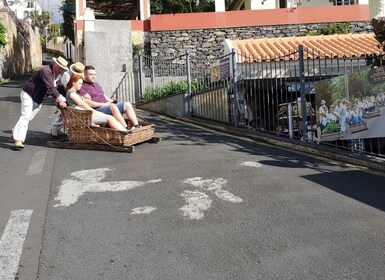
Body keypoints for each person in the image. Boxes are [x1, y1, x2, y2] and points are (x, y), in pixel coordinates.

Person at [12, 56, 68, 149]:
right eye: (59, 67)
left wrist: (69, 95)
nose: (60, 70)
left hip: (39, 99)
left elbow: (60, 88)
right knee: (25, 116)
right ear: (55, 64)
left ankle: (15, 132)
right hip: (29, 94)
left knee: (28, 117)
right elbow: (51, 88)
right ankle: (18, 140)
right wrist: (60, 99)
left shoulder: (58, 75)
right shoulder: (46, 71)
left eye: (62, 69)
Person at [78, 65, 141, 130]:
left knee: (127, 104)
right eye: (91, 74)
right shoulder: (82, 86)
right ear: (85, 74)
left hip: (108, 105)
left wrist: (114, 101)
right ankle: (126, 128)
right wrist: (105, 104)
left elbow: (105, 96)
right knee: (113, 107)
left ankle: (137, 126)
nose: (93, 76)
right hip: (98, 109)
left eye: (95, 74)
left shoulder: (97, 85)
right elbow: (87, 102)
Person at [51, 62, 86, 137]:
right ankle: (55, 128)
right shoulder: (66, 75)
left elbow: (81, 86)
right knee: (64, 111)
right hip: (64, 94)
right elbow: (67, 88)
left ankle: (63, 129)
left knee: (69, 113)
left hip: (73, 94)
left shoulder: (80, 75)